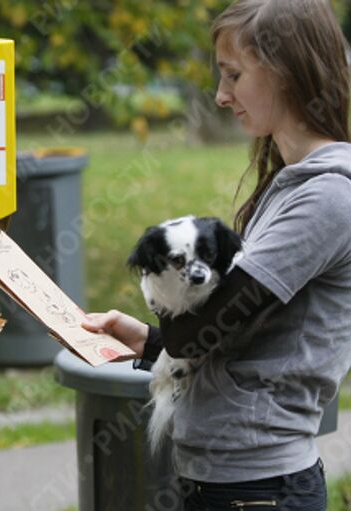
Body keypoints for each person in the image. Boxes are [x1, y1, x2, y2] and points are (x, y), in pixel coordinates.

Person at [83, 1, 350, 510]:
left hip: (260, 489)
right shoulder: (288, 187)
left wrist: (167, 321)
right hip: (229, 481)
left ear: (287, 73)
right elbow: (238, 338)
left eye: (233, 75)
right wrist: (147, 341)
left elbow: (206, 328)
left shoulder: (327, 199)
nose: (221, 95)